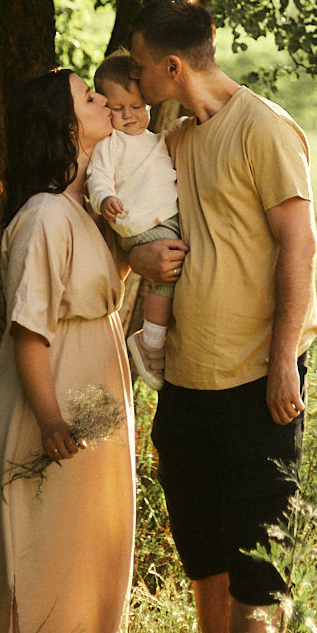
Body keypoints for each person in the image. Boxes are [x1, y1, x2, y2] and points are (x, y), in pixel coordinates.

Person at [126, 0, 317, 633]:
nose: (136, 77)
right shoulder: (176, 139)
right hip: (187, 382)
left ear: (173, 66)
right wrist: (142, 254)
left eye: (142, 67)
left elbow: (299, 245)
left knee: (257, 565)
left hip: (256, 381)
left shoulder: (263, 127)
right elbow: (157, 231)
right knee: (204, 557)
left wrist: (282, 364)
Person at [0, 69, 137, 633]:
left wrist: (137, 258)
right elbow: (30, 329)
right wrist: (50, 418)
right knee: (25, 542)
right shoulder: (44, 214)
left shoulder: (79, 210)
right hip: (44, 405)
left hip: (90, 406)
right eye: (89, 96)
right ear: (65, 126)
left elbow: (98, 293)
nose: (105, 100)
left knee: (69, 545)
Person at [88, 54, 181, 391]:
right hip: (139, 224)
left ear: (150, 107)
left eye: (136, 106)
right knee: (169, 277)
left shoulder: (157, 141)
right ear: (104, 109)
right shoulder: (109, 145)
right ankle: (150, 342)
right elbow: (98, 179)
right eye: (117, 108)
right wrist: (105, 199)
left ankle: (166, 335)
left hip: (165, 219)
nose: (128, 115)